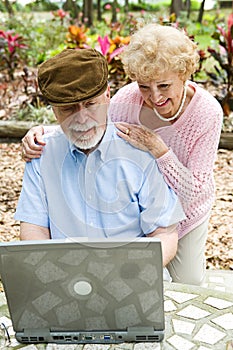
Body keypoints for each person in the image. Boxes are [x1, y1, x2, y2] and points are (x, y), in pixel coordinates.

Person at [21, 24, 223, 285]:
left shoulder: (206, 113)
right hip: (150, 204)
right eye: (145, 86)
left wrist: (159, 150)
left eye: (163, 85)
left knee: (189, 283)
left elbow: (193, 190)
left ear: (184, 75)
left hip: (189, 202)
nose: (155, 97)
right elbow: (92, 127)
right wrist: (43, 133)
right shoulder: (126, 101)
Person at [15, 48, 186, 269]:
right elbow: (33, 230)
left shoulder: (140, 151)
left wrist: (135, 272)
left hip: (132, 276)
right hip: (64, 278)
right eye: (68, 109)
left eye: (90, 104)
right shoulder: (40, 154)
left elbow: (165, 234)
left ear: (107, 95)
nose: (82, 118)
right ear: (53, 110)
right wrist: (49, 274)